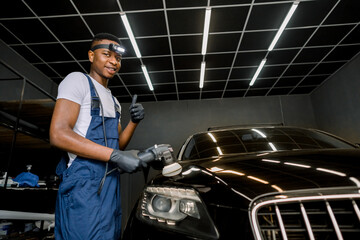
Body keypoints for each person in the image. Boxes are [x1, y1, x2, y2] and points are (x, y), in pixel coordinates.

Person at [49, 33, 145, 240]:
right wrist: (116, 156)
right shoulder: (78, 81)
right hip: (83, 185)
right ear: (91, 56)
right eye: (106, 54)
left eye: (118, 58)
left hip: (110, 184)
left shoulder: (114, 101)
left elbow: (117, 143)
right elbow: (58, 134)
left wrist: (133, 123)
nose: (113, 61)